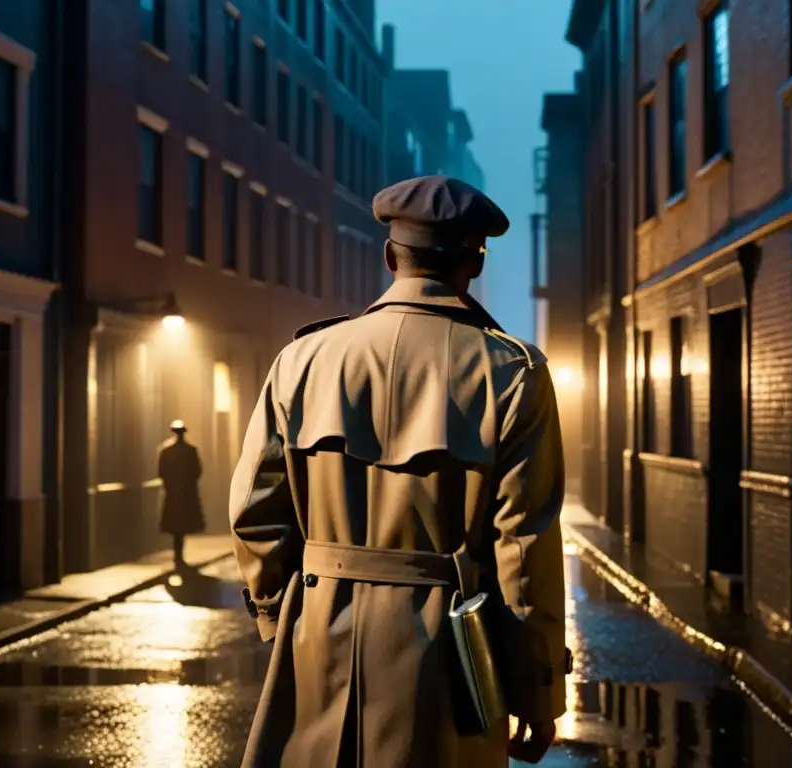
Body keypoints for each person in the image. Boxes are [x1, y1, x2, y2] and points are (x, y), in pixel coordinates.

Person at [229, 175, 568, 768]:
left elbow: (255, 510)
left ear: (390, 255)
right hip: (449, 655)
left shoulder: (303, 361)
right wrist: (537, 690)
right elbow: (524, 545)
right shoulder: (512, 372)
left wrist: (285, 616)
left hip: (318, 632)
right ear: (475, 263)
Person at [157, 419, 205, 568]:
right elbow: (197, 471)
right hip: (184, 493)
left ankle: (178, 556)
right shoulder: (190, 450)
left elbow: (161, 472)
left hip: (174, 492)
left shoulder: (166, 451)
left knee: (177, 526)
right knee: (180, 526)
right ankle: (178, 556)